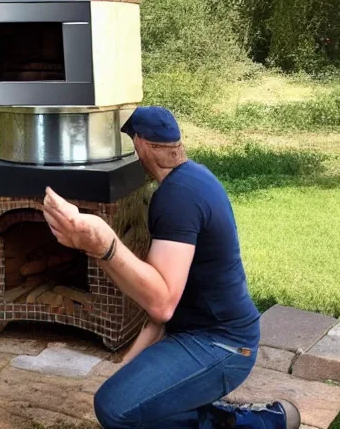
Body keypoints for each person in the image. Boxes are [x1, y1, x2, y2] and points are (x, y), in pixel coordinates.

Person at [42, 106, 301, 429]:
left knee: (114, 409)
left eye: (135, 144)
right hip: (205, 335)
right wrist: (127, 364)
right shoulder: (194, 177)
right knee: (124, 396)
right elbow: (162, 311)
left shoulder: (176, 197)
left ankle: (252, 423)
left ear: (141, 145)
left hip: (222, 345)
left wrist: (102, 246)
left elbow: (162, 303)